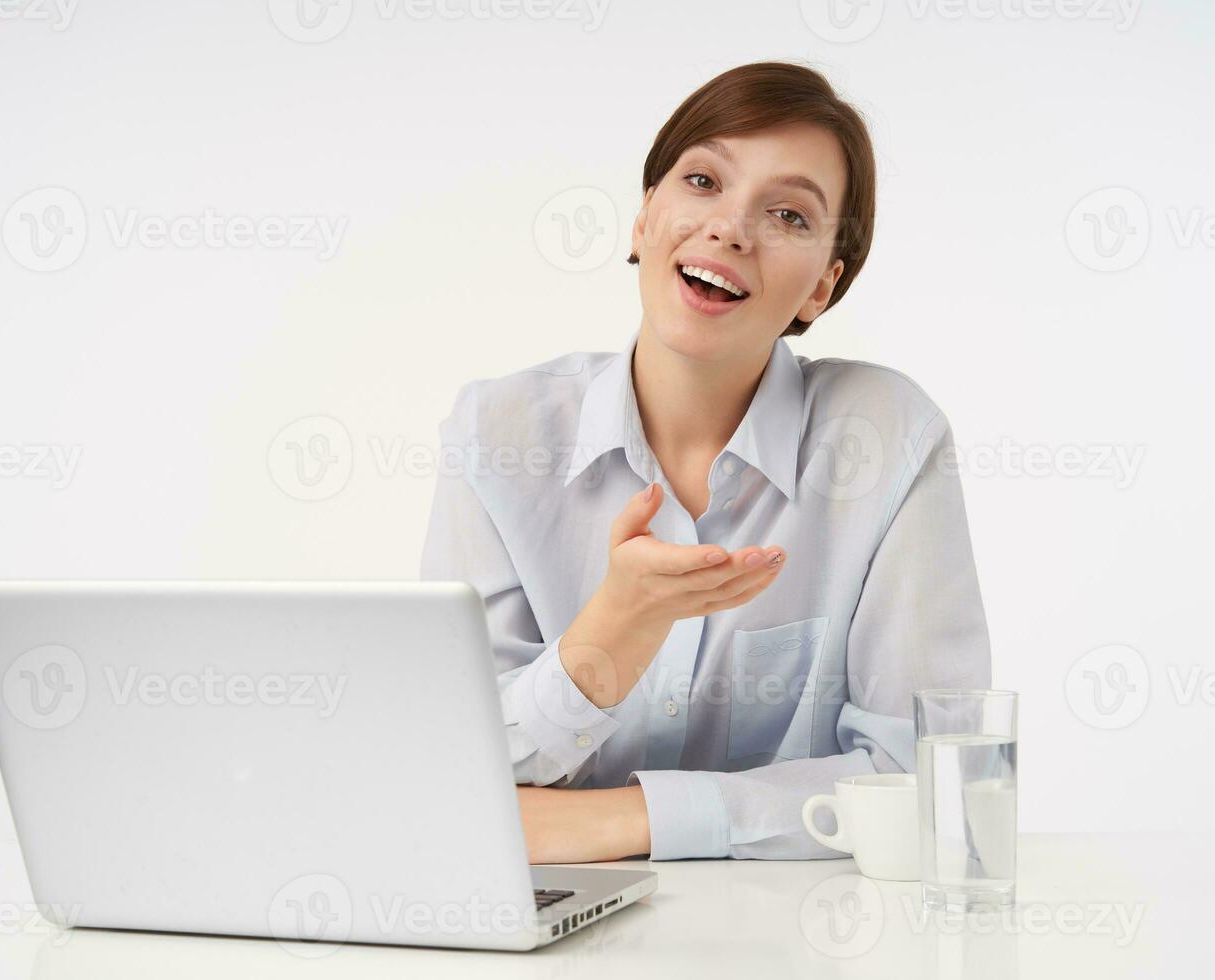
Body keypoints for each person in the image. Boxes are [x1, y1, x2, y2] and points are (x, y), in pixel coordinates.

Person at [420, 61, 990, 863]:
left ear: (821, 289)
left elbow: (938, 787)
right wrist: (613, 632)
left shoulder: (888, 438)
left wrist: (628, 820)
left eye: (789, 214)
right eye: (701, 180)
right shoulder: (498, 433)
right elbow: (453, 774)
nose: (729, 228)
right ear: (644, 218)